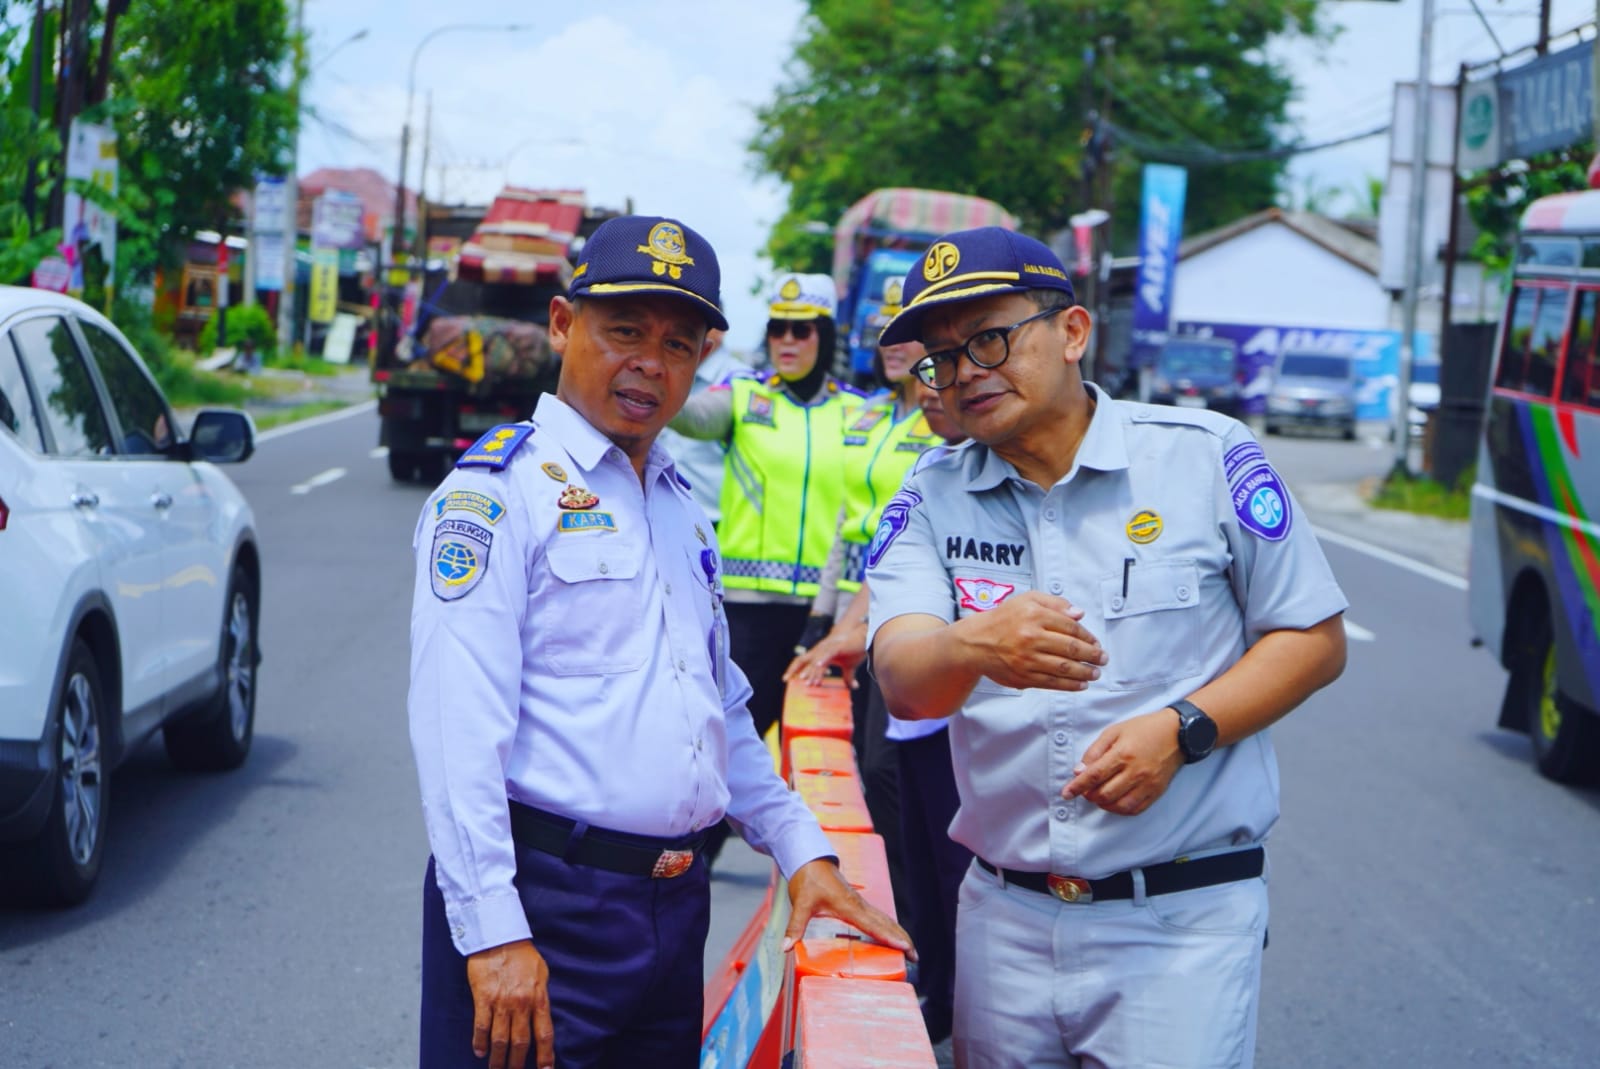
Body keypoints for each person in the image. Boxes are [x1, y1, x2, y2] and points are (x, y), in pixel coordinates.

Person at [408, 215, 910, 1069]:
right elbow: (457, 734)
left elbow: (717, 706)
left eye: (679, 343)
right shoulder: (497, 498)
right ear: (565, 326)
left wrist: (801, 849)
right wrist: (493, 933)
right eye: (625, 331)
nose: (651, 362)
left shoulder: (676, 505)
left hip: (674, 915)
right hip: (546, 906)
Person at [865, 227, 1349, 1068]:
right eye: (941, 357)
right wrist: (976, 644)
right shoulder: (930, 493)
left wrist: (1182, 728)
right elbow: (904, 679)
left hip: (1180, 923)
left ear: (1074, 332)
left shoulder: (1205, 458)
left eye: (990, 338)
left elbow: (1312, 635)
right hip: (1003, 921)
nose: (966, 372)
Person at [786, 375, 971, 1044]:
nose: (932, 383)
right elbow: (875, 560)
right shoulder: (923, 469)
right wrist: (834, 629)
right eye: (922, 364)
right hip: (910, 694)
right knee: (911, 835)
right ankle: (938, 985)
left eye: (940, 362)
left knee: (962, 863)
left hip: (980, 720)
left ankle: (954, 989)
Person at [667, 272, 859, 862]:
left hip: (827, 618)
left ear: (824, 337)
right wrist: (675, 360)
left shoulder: (859, 415)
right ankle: (688, 854)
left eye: (802, 330)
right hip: (749, 610)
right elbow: (689, 418)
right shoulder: (745, 397)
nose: (788, 341)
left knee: (826, 758)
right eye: (778, 329)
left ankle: (819, 862)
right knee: (728, 747)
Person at [655, 327, 740, 522]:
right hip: (664, 512)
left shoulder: (741, 381)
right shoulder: (665, 366)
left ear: (719, 331)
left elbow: (699, 418)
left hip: (713, 517)